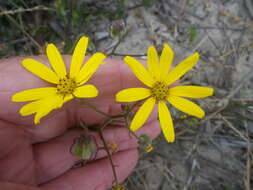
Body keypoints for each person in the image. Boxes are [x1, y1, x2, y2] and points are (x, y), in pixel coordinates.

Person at [0, 56, 161, 190]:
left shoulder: (77, 88)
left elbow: (90, 78)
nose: (65, 83)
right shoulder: (61, 93)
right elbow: (29, 101)